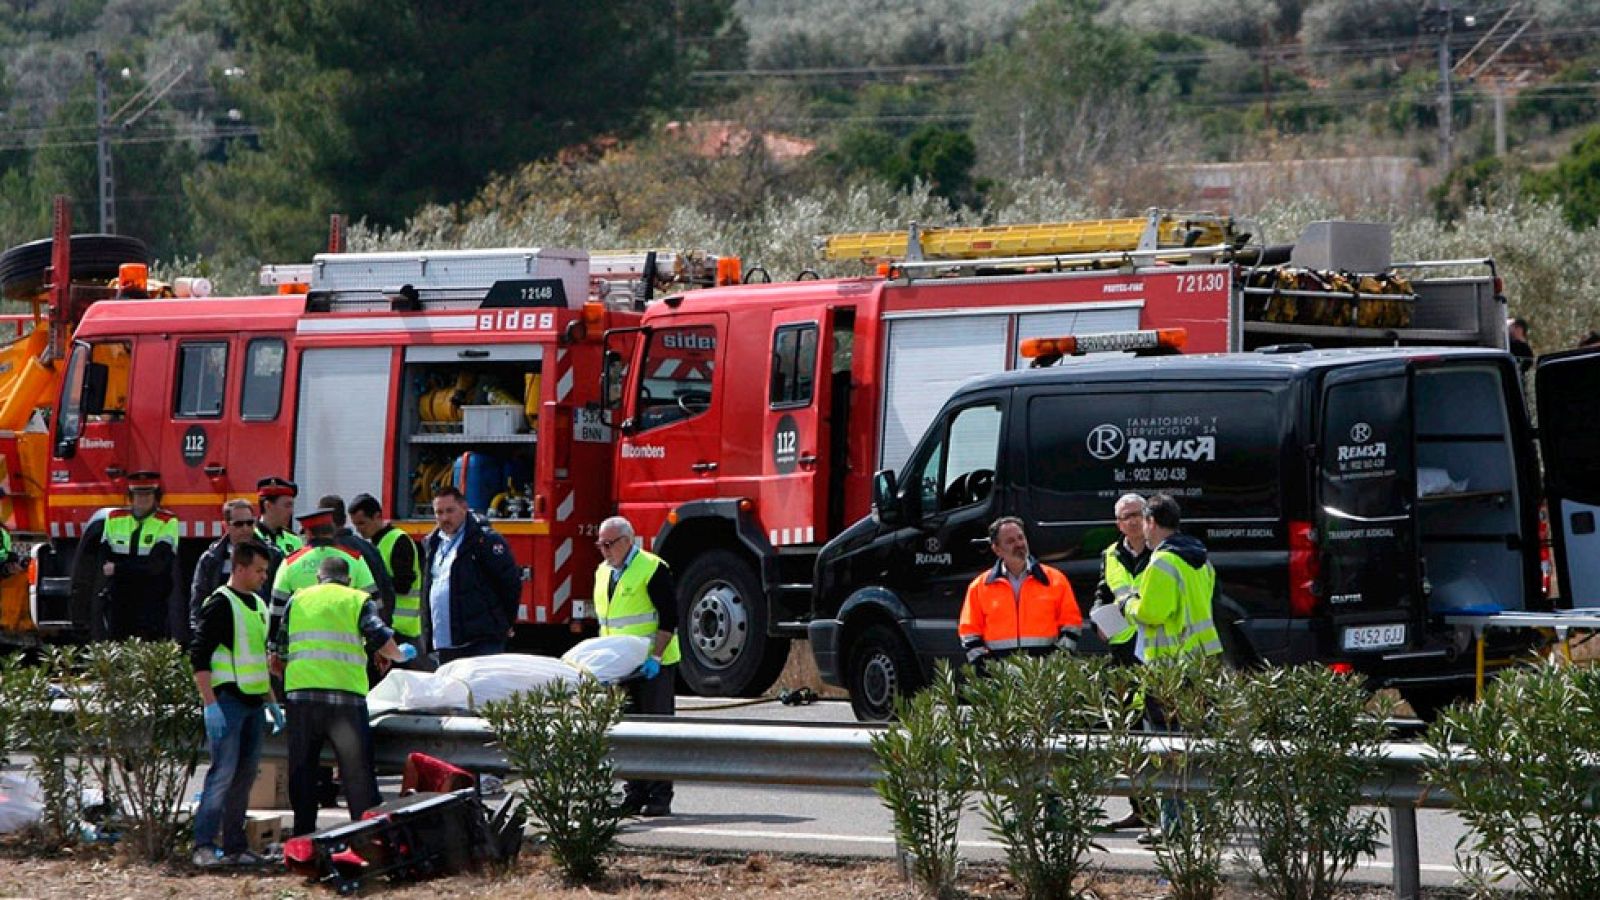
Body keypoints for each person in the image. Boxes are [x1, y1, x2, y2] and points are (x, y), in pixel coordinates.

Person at [271, 554, 414, 836]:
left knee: (303, 771)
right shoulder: (356, 599)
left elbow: (280, 652)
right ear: (348, 579)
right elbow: (379, 636)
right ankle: (367, 838)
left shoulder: (297, 599)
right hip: (345, 701)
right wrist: (398, 655)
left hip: (302, 698)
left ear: (318, 579)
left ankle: (303, 837)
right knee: (356, 772)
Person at [1117, 493, 1222, 845]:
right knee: (1196, 745)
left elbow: (1151, 613)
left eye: (1143, 523)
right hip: (1199, 665)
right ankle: (1204, 821)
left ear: (1151, 521)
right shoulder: (1199, 560)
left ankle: (1173, 827)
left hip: (1167, 670)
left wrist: (1128, 603)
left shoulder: (1162, 562)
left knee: (1165, 749)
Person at [190, 541, 281, 867]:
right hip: (227, 701)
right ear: (239, 568)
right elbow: (199, 655)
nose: (263, 576)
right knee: (222, 776)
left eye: (265, 571)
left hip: (253, 702)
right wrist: (209, 703)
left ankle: (234, 846)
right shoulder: (220, 604)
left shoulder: (257, 605)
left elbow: (257, 659)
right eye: (258, 570)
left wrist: (271, 701)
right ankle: (203, 846)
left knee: (243, 778)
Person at [594, 515, 679, 818]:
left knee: (656, 732)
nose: (604, 550)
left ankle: (659, 796)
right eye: (600, 544)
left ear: (627, 541)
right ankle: (635, 792)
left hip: (652, 664)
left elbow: (669, 618)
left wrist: (655, 658)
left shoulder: (652, 568)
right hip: (619, 667)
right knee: (626, 733)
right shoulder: (604, 572)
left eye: (609, 544)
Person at [1092, 493, 1154, 832]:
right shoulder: (1111, 555)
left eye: (1138, 514)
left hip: (1155, 650)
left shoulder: (1161, 552)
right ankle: (1141, 806)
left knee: (1158, 732)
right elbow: (1103, 592)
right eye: (1127, 516)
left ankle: (1167, 808)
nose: (1133, 520)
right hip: (1122, 652)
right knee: (1127, 731)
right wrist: (1097, 620)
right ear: (1118, 524)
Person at [958, 516, 1082, 672]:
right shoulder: (979, 587)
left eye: (1020, 537)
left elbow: (1071, 625)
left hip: (1045, 676)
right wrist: (986, 669)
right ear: (996, 549)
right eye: (1010, 541)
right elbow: (969, 632)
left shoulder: (1055, 580)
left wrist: (1057, 663)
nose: (1019, 544)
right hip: (1001, 680)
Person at [420, 487, 522, 664]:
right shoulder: (432, 543)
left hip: (480, 642)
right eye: (439, 512)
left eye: (450, 511)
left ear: (464, 507)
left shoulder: (485, 540)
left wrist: (504, 623)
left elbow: (510, 584)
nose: (444, 518)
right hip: (444, 642)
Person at [90, 470, 182, 641]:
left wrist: (118, 568)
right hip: (119, 600)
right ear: (130, 497)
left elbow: (156, 567)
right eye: (138, 495)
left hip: (151, 601)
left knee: (150, 651)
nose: (143, 499)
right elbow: (103, 560)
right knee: (116, 648)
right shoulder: (114, 518)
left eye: (148, 494)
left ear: (156, 497)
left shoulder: (167, 522)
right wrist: (136, 567)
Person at [270, 509, 377, 645]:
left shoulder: (290, 563)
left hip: (301, 651)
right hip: (347, 651)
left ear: (308, 532)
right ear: (332, 531)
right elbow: (374, 605)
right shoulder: (355, 559)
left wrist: (274, 648)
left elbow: (276, 612)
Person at [191, 499, 283, 637]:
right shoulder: (211, 559)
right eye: (239, 524)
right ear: (225, 526)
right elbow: (199, 599)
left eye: (250, 523)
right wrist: (199, 633)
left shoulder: (272, 555)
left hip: (259, 630)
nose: (245, 528)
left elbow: (278, 597)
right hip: (222, 632)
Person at [348, 493, 423, 653]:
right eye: (355, 525)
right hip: (386, 627)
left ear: (377, 516)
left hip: (401, 629)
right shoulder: (377, 543)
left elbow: (404, 585)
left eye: (362, 523)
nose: (359, 529)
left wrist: (373, 583)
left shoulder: (398, 540)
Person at [317, 494, 396, 620]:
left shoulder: (318, 552)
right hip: (367, 628)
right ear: (344, 519)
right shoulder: (368, 549)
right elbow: (387, 593)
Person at [256, 477, 304, 558]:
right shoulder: (252, 537)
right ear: (268, 506)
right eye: (287, 505)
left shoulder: (295, 541)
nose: (291, 511)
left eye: (292, 506)